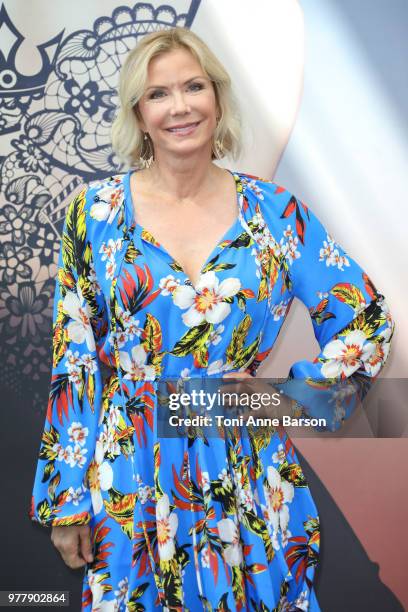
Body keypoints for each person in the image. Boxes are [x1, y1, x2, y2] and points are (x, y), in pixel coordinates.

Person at [29, 27, 394, 611]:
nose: (179, 107)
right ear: (139, 114)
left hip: (247, 469)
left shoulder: (276, 214)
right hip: (131, 474)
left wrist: (290, 398)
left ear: (218, 99)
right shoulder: (92, 215)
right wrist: (66, 500)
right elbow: (73, 363)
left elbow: (366, 321)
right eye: (158, 94)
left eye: (194, 87)